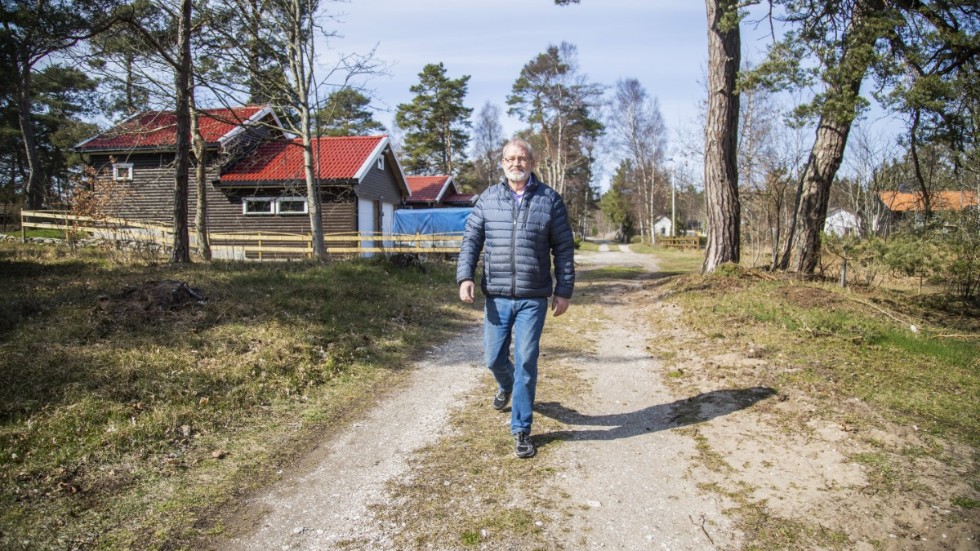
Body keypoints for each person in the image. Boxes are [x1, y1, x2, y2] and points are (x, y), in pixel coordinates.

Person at [456, 138, 575, 459]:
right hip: (496, 295)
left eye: (521, 159)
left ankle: (521, 428)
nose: (515, 164)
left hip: (533, 297)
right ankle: (505, 384)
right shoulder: (488, 199)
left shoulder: (550, 200)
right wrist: (465, 276)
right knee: (493, 358)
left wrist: (563, 290)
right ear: (502, 163)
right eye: (510, 158)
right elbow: (471, 241)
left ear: (532, 163)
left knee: (525, 361)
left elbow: (563, 248)